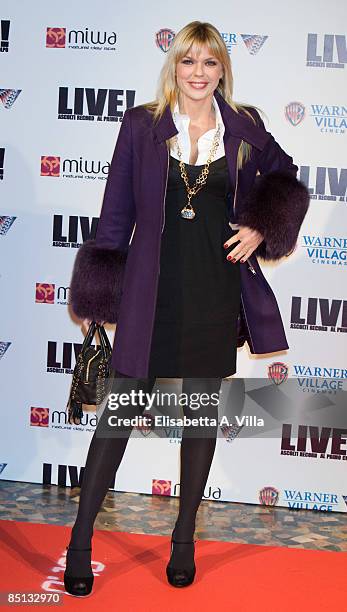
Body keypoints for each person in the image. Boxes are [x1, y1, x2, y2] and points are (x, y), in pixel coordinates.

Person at [64, 21, 309, 595]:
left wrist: (259, 226)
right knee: (118, 417)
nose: (198, 73)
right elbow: (115, 212)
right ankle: (79, 542)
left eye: (209, 62)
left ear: (223, 69)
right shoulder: (141, 127)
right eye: (188, 62)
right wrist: (102, 293)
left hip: (213, 292)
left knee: (200, 418)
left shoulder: (244, 128)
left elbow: (288, 182)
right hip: (151, 292)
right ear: (173, 67)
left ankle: (182, 541)